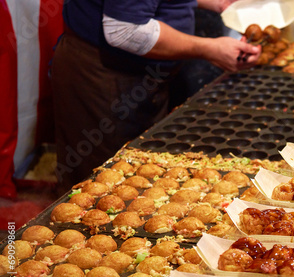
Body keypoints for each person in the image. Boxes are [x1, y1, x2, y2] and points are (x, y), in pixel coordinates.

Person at [51, 0, 261, 192]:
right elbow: (124, 30)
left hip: (146, 74)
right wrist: (208, 48)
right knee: (101, 188)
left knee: (144, 182)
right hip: (105, 73)